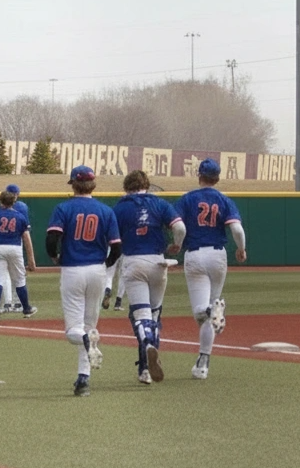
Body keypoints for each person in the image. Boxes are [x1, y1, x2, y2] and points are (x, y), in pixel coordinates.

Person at [45, 165, 120, 397]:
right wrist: (105, 265)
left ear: (73, 184)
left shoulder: (64, 207)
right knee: (89, 326)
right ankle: (83, 379)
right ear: (93, 184)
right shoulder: (105, 211)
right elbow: (116, 247)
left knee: (74, 332)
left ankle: (87, 342)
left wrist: (54, 255)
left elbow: (52, 238)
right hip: (97, 270)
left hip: (73, 270)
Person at [172, 158, 247, 380]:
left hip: (195, 254)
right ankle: (203, 363)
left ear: (199, 175)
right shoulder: (224, 200)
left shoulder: (187, 199)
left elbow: (178, 227)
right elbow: (237, 229)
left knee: (200, 312)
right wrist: (241, 249)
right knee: (209, 312)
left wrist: (177, 243)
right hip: (218, 255)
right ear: (217, 178)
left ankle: (210, 311)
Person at [113, 169, 185, 384]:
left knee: (140, 316)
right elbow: (179, 227)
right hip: (158, 261)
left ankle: (147, 352)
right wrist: (177, 245)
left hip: (133, 261)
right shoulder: (160, 204)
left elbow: (113, 239)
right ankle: (145, 367)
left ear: (127, 187)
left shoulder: (120, 207)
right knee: (154, 316)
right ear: (147, 184)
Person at [0, 190, 37, 319]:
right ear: (14, 202)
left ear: (0, 201)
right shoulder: (20, 216)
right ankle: (26, 308)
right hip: (15, 247)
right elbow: (26, 238)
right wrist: (31, 259)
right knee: (19, 279)